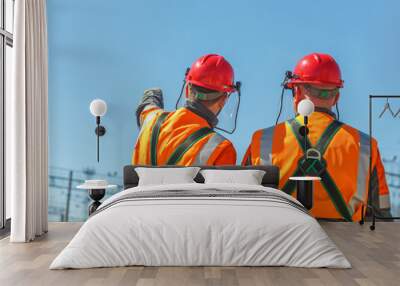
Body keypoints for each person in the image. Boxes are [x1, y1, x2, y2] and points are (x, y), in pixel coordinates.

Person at [242, 53, 390, 221]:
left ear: (296, 92)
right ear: (336, 97)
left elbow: (241, 206)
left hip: (278, 244)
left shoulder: (262, 140)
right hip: (345, 246)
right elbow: (382, 218)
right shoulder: (366, 146)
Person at [132, 54, 240, 166]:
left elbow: (146, 107)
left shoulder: (151, 120)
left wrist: (152, 96)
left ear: (187, 89)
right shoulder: (221, 149)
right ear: (223, 100)